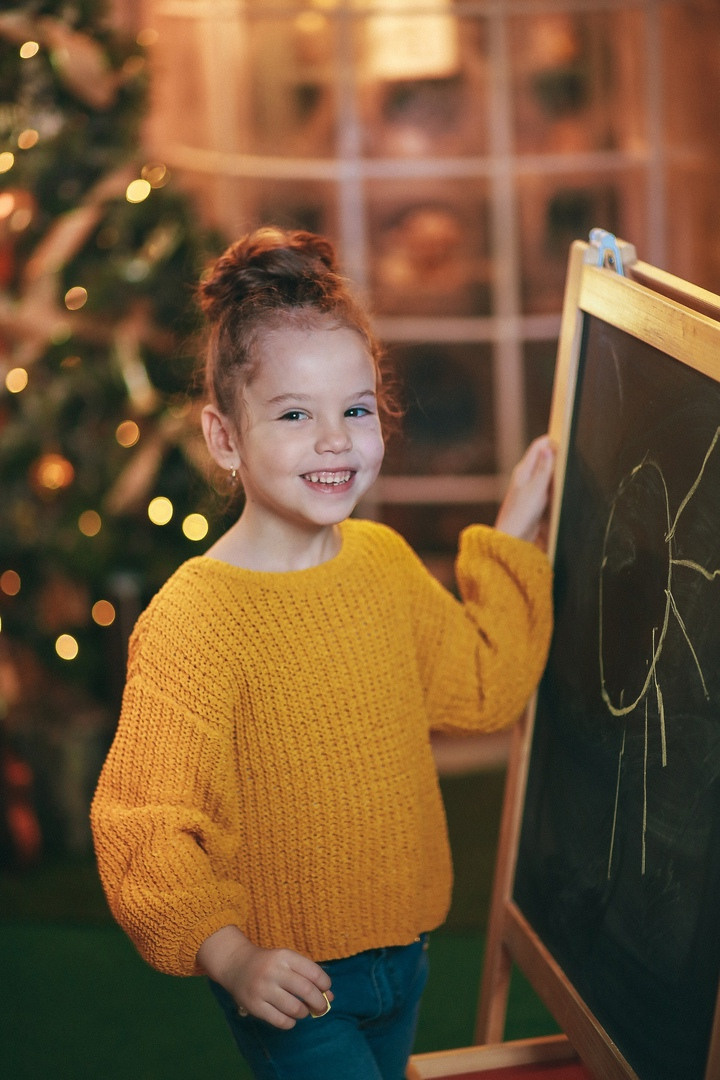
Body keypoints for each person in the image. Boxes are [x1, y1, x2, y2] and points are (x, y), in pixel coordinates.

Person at [90, 226, 555, 1080]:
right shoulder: (194, 620)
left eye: (357, 408)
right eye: (295, 414)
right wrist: (231, 957)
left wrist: (511, 537)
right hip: (289, 983)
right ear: (225, 439)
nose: (335, 439)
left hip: (406, 956)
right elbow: (142, 825)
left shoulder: (381, 564)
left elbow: (484, 686)